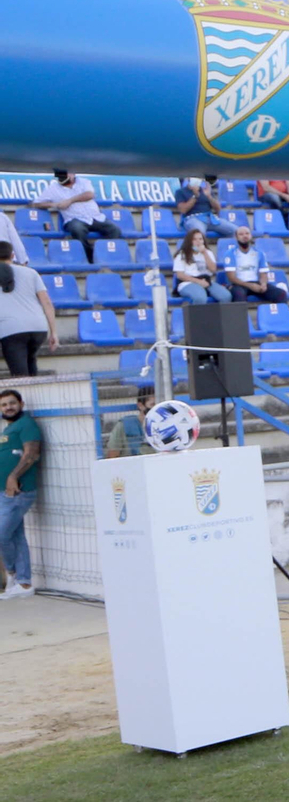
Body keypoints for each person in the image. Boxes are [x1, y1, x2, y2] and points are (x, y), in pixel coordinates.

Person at [0, 389, 42, 600]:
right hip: (4, 493)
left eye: (12, 403)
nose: (8, 407)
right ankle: (23, 584)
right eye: (4, 405)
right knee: (15, 535)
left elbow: (31, 454)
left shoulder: (26, 425)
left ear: (21, 404)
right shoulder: (9, 428)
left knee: (2, 534)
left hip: (18, 491)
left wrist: (12, 477)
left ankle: (14, 574)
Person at [32, 169, 121, 262]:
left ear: (73, 174)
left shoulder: (84, 182)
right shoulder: (53, 188)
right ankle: (89, 256)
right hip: (74, 219)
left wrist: (69, 201)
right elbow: (36, 203)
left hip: (96, 217)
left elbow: (89, 195)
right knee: (77, 229)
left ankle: (103, 253)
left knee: (115, 230)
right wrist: (55, 205)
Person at [0, 242, 57, 376]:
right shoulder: (31, 272)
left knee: (20, 377)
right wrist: (54, 332)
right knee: (31, 366)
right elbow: (47, 303)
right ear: (12, 255)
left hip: (11, 329)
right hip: (38, 328)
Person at [223, 226, 286, 304]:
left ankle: (280, 315)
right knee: (239, 295)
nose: (245, 236)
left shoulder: (259, 253)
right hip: (238, 284)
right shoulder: (230, 253)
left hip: (256, 283)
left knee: (281, 294)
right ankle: (242, 316)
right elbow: (231, 278)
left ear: (251, 236)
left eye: (247, 233)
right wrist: (250, 286)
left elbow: (263, 274)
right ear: (236, 237)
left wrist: (263, 284)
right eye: (241, 234)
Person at [173, 229, 229, 304]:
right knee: (200, 298)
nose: (198, 242)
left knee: (226, 296)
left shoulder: (208, 253)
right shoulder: (182, 254)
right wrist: (198, 282)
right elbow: (180, 275)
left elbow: (213, 269)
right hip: (188, 283)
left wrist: (204, 253)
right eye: (194, 239)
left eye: (200, 239)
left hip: (206, 281)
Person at [103, 387, 154, 458]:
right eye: (153, 405)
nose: (156, 409)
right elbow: (112, 455)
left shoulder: (165, 426)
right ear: (141, 406)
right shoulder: (124, 426)